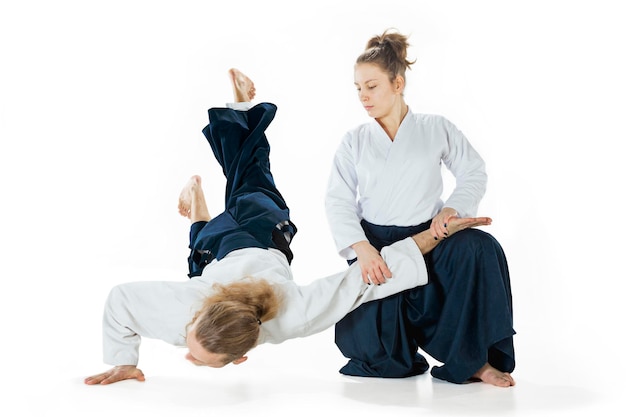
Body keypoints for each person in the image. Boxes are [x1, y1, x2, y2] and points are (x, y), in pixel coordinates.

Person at [84, 69, 494, 385]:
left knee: (221, 223)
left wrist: (124, 360)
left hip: (231, 240)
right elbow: (364, 282)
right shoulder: (279, 314)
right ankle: (236, 124)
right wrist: (435, 234)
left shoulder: (191, 310)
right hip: (258, 232)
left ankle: (229, 141)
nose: (185, 353)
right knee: (238, 192)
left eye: (189, 347)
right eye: (195, 354)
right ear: (241, 356)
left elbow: (122, 301)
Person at [325, 29, 516, 387]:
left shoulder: (435, 127)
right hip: (378, 247)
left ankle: (474, 361)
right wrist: (362, 249)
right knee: (381, 356)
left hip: (433, 237)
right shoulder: (355, 141)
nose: (363, 96)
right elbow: (338, 199)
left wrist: (453, 210)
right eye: (358, 88)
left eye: (372, 86)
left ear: (398, 84)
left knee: (480, 248)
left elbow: (473, 170)